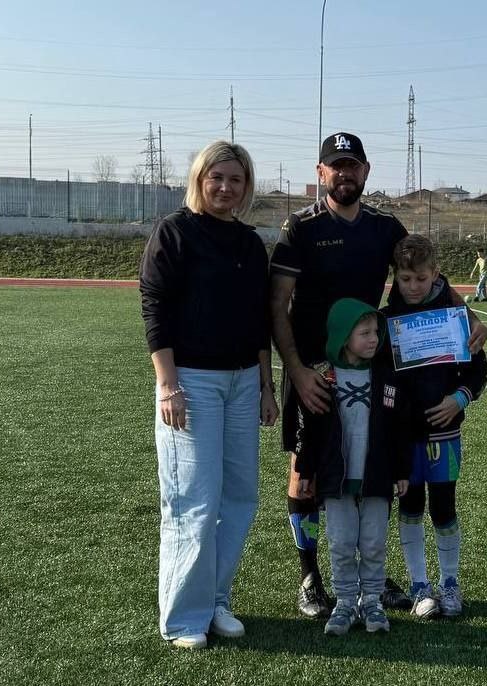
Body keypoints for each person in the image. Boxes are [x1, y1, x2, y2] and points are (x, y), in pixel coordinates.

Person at [270, 131, 487, 618]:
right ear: (321, 172)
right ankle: (310, 576)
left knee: (370, 470)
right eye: (336, 165)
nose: (345, 173)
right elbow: (277, 303)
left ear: (365, 171)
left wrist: (467, 315)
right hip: (313, 372)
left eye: (353, 165)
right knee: (306, 476)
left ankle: (372, 574)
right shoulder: (301, 227)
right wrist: (297, 370)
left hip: (370, 369)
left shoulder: (384, 227)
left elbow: (426, 270)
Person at [139, 141, 278, 649]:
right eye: (216, 177)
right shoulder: (175, 231)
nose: (225, 187)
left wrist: (266, 386)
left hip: (243, 383)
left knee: (239, 497)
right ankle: (183, 618)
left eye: (236, 180)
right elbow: (154, 307)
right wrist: (168, 384)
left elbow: (259, 320)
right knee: (193, 501)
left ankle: (216, 599)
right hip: (191, 382)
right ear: (199, 179)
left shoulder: (249, 243)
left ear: (246, 187)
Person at [381, 235, 487, 619]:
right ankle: (419, 586)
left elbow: (479, 370)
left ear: (436, 275)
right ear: (396, 277)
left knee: (444, 508)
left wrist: (459, 398)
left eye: (421, 279)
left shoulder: (454, 317)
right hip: (404, 439)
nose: (413, 287)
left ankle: (450, 583)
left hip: (446, 437)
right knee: (410, 507)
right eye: (405, 279)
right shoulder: (387, 321)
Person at [294, 298, 411, 635]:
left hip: (376, 478)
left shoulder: (387, 378)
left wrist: (401, 471)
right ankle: (345, 602)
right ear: (344, 337)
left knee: (374, 544)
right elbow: (309, 431)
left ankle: (372, 601)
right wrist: (306, 471)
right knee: (342, 543)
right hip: (337, 481)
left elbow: (398, 430)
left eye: (376, 332)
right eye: (365, 333)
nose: (374, 338)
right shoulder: (324, 378)